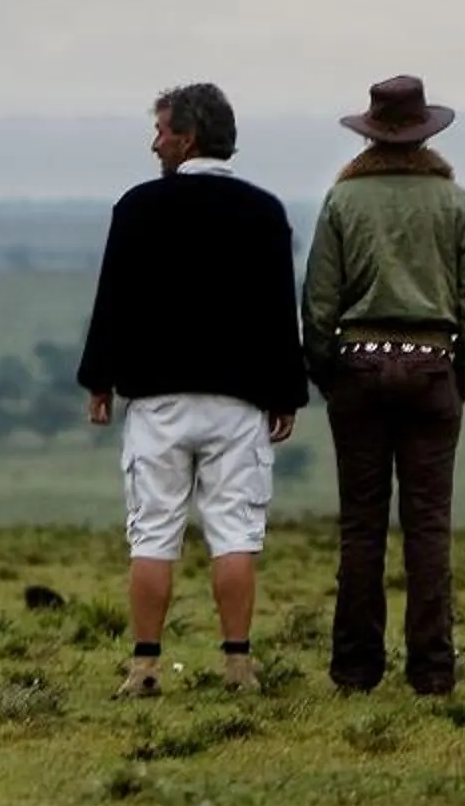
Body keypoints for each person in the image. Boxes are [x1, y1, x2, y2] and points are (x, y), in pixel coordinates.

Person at [76, 82, 307, 697]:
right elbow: (278, 313)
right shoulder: (264, 212)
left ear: (189, 136)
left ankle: (145, 665)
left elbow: (113, 301)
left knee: (152, 532)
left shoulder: (138, 207)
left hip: (157, 402)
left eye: (161, 130)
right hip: (238, 403)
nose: (155, 142)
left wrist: (99, 380)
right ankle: (238, 664)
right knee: (234, 532)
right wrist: (286, 392)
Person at [301, 74, 465, 696]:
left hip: (356, 366)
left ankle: (355, 671)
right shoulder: (455, 202)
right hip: (434, 366)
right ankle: (432, 672)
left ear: (370, 132)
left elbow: (319, 301)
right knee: (429, 528)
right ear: (426, 132)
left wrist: (327, 369)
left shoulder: (342, 202)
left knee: (361, 527)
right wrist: (462, 375)